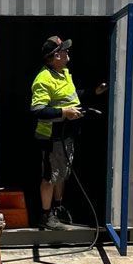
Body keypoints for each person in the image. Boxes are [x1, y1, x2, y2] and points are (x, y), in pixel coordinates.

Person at [30, 35, 106, 230]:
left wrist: (92, 92)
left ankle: (57, 208)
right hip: (51, 137)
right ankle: (46, 217)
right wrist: (64, 113)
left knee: (62, 174)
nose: (67, 53)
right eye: (63, 50)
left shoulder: (63, 73)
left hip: (66, 136)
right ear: (55, 56)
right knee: (50, 176)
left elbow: (70, 97)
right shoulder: (43, 79)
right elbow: (38, 110)